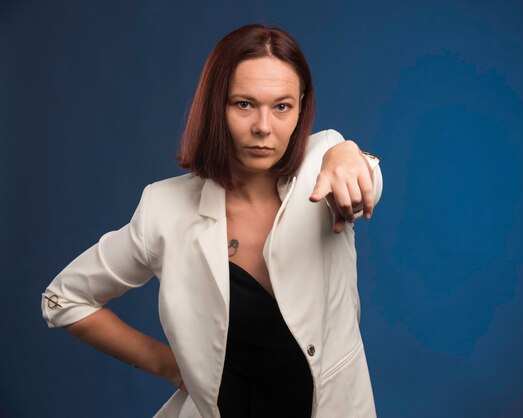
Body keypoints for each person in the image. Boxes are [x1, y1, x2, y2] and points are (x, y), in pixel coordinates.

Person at [41, 24, 382, 418]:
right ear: (215, 105)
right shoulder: (165, 209)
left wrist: (350, 153)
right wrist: (169, 365)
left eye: (282, 106)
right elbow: (62, 300)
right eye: (244, 104)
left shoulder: (324, 165)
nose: (263, 127)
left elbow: (364, 178)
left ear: (302, 107)